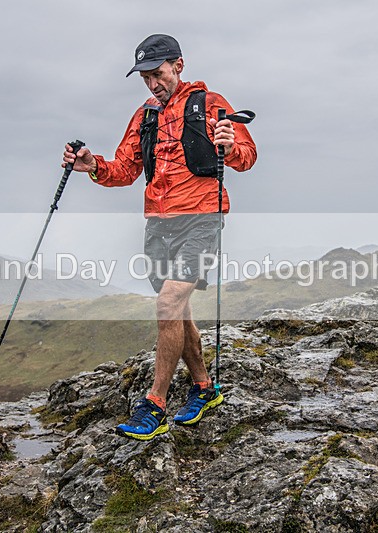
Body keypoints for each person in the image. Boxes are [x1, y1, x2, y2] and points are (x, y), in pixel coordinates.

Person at [62, 34, 257, 440]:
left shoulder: (212, 104)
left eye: (159, 73)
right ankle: (204, 387)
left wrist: (230, 144)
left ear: (179, 65)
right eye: (146, 77)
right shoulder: (144, 115)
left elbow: (247, 157)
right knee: (178, 307)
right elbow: (125, 170)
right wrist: (91, 165)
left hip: (202, 217)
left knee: (169, 301)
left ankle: (155, 404)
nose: (153, 83)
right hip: (158, 223)